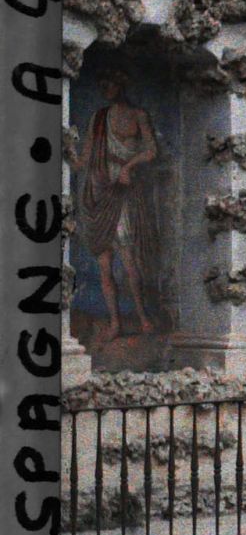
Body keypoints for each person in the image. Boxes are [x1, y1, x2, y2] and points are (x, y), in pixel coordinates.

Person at [71, 69, 162, 340]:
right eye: (102, 84)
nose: (105, 88)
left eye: (109, 82)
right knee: (104, 263)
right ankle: (115, 323)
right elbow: (85, 157)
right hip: (99, 191)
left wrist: (130, 166)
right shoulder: (98, 118)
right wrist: (68, 157)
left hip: (124, 192)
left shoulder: (138, 115)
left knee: (128, 259)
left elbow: (151, 150)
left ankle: (143, 317)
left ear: (121, 83)